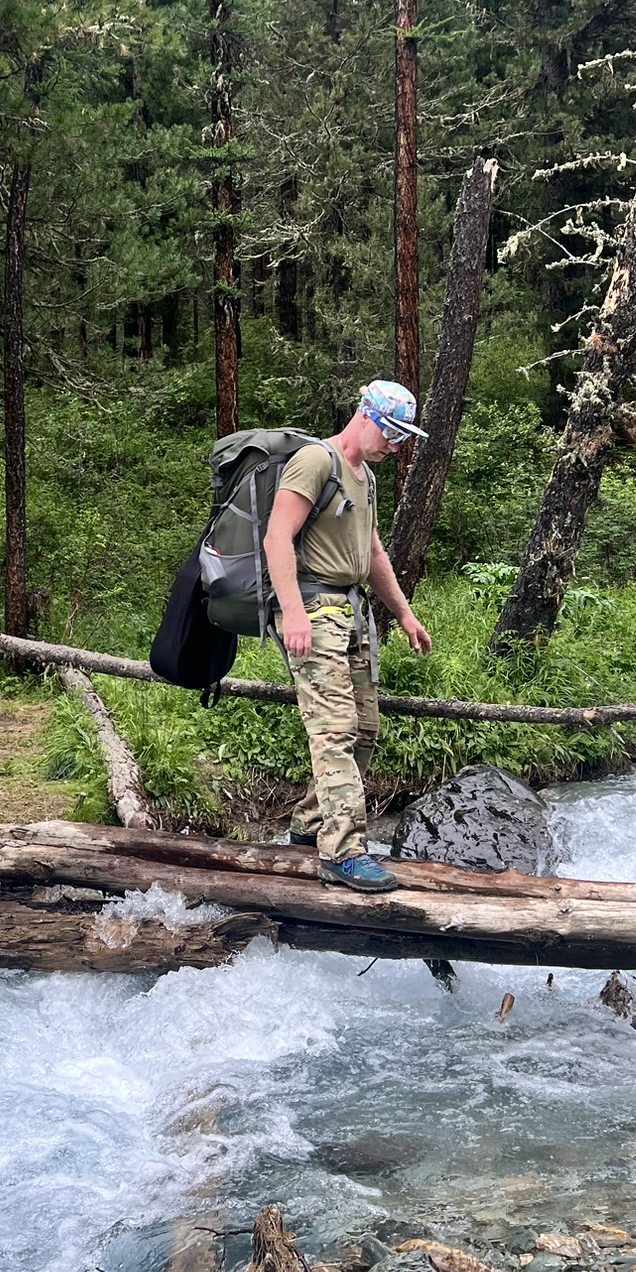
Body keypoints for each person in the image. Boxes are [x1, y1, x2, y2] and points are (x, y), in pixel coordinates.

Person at [263, 381, 434, 891]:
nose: (396, 446)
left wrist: (404, 615)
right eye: (392, 433)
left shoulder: (366, 478)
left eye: (403, 437)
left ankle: (310, 825)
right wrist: (294, 613)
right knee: (334, 729)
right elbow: (277, 537)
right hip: (313, 610)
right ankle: (342, 852)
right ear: (366, 417)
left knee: (365, 730)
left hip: (351, 614)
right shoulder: (316, 461)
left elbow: (373, 553)